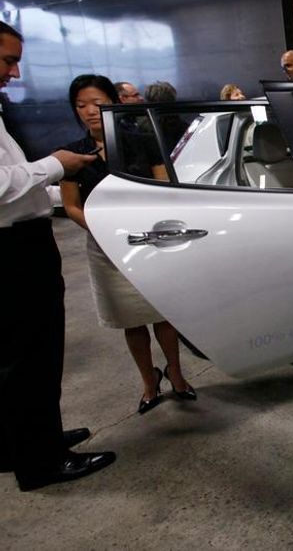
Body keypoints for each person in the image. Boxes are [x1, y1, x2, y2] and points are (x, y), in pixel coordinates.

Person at [0, 20, 116, 492]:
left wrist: (48, 187)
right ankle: (42, 460)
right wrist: (55, 166)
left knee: (19, 357)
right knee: (31, 356)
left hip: (20, 240)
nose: (14, 71)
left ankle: (25, 443)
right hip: (12, 254)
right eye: (8, 60)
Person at [59, 74, 197, 413]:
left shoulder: (142, 139)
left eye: (97, 103)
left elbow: (164, 186)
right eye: (81, 105)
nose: (90, 111)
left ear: (114, 104)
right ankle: (149, 382)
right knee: (130, 319)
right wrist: (103, 229)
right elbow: (71, 205)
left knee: (162, 313)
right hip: (104, 247)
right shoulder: (72, 153)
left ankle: (176, 375)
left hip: (149, 240)